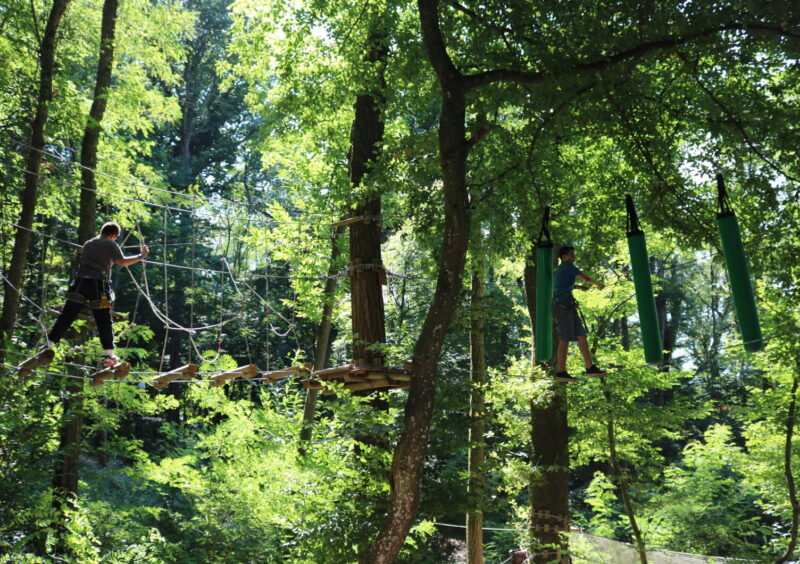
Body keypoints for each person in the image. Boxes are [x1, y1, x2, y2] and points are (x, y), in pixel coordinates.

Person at [43, 222, 148, 368]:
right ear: (113, 235)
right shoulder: (110, 244)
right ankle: (109, 355)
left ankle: (48, 344)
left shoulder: (88, 243)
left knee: (67, 315)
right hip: (99, 286)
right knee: (104, 318)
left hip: (80, 284)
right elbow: (122, 262)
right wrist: (140, 256)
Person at [552, 245, 605, 382]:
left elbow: (562, 284)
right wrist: (597, 284)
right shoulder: (567, 266)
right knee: (565, 339)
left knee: (581, 336)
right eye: (571, 254)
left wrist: (578, 287)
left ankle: (590, 368)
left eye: (573, 254)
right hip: (562, 308)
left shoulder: (563, 269)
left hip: (568, 307)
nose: (573, 257)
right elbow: (585, 278)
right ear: (564, 257)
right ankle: (561, 372)